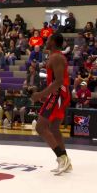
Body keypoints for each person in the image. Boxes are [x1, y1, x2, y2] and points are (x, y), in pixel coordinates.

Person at [31, 33, 72, 175]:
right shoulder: (55, 57)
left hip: (58, 94)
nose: (46, 42)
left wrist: (41, 94)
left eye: (48, 39)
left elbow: (59, 81)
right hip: (58, 94)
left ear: (53, 42)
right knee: (54, 128)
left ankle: (62, 158)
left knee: (41, 127)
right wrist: (47, 95)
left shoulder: (56, 57)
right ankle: (66, 161)